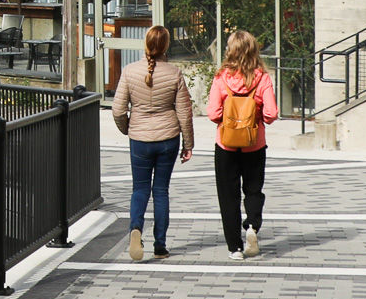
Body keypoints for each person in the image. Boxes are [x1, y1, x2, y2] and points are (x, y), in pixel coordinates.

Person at [111, 25, 195, 261]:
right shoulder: (175, 73)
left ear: (145, 44)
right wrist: (188, 144)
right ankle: (160, 245)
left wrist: (129, 129)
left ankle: (136, 228)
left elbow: (118, 110)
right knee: (161, 191)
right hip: (168, 138)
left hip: (139, 139)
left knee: (139, 189)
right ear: (166, 46)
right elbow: (185, 113)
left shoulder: (129, 71)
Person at [207, 30, 278, 261]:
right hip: (254, 144)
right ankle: (252, 226)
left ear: (231, 50)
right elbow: (271, 113)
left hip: (226, 144)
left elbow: (213, 113)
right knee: (253, 190)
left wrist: (228, 120)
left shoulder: (221, 77)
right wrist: (255, 117)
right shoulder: (262, 78)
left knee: (228, 196)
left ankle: (234, 248)